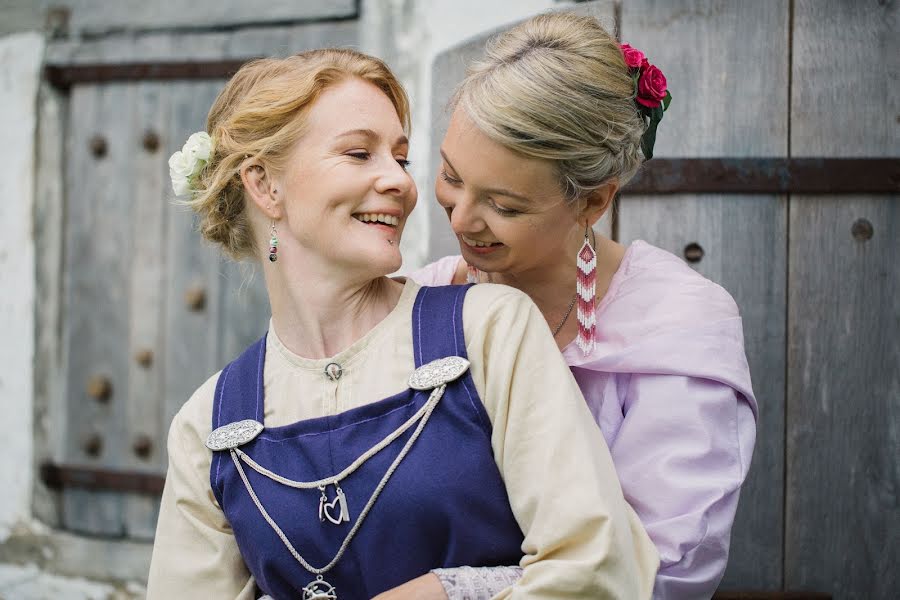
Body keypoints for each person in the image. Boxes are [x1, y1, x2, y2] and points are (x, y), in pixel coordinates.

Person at [146, 48, 659, 599]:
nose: (400, 182)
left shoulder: (489, 331)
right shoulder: (208, 429)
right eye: (359, 153)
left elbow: (595, 567)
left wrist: (451, 590)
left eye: (401, 158)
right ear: (266, 186)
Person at [411, 12, 757, 600]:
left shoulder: (677, 325)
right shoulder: (419, 297)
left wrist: (453, 591)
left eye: (504, 204)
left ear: (593, 202)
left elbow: (661, 570)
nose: (462, 218)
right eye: (450, 176)